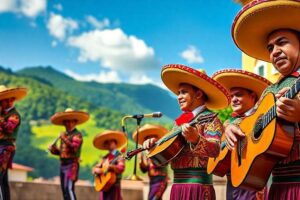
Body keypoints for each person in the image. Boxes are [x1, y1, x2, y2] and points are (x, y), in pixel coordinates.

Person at [230, 0, 300, 199]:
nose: (275, 51)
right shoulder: (269, 91)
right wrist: (231, 127)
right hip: (275, 188)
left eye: (282, 42)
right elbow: (249, 123)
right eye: (270, 48)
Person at [143, 64, 230, 200]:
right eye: (178, 93)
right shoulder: (178, 122)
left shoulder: (212, 119)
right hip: (177, 187)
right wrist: (155, 146)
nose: (179, 97)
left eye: (183, 92)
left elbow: (216, 150)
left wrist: (196, 139)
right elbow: (165, 159)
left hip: (199, 187)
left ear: (198, 94)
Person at [212, 69, 271, 200]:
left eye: (238, 95)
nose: (233, 100)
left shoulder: (262, 118)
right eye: (231, 96)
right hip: (232, 185)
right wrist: (226, 129)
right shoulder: (228, 122)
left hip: (253, 183)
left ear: (252, 96)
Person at [48, 108, 89, 200]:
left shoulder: (77, 135)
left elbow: (74, 149)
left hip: (72, 164)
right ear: (64, 123)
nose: (69, 124)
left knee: (69, 188)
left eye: (71, 122)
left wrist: (64, 139)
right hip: (63, 164)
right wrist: (53, 149)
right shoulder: (65, 135)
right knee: (64, 190)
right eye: (67, 122)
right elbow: (62, 153)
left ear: (75, 122)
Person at [0, 85, 27, 200]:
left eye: (11, 98)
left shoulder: (14, 115)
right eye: (6, 99)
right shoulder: (3, 114)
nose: (10, 101)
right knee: (3, 180)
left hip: (6, 148)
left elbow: (8, 128)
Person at [132, 124, 169, 200]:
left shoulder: (161, 149)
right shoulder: (144, 152)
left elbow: (163, 163)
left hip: (161, 179)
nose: (149, 140)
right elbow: (144, 170)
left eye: (151, 137)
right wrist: (140, 160)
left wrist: (151, 154)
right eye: (147, 138)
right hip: (152, 181)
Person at [93, 130, 126, 200]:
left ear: (115, 143)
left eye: (111, 141)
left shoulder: (119, 156)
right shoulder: (105, 157)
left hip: (114, 185)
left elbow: (121, 168)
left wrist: (109, 167)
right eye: (106, 142)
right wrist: (96, 170)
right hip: (104, 185)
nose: (109, 144)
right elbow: (98, 167)